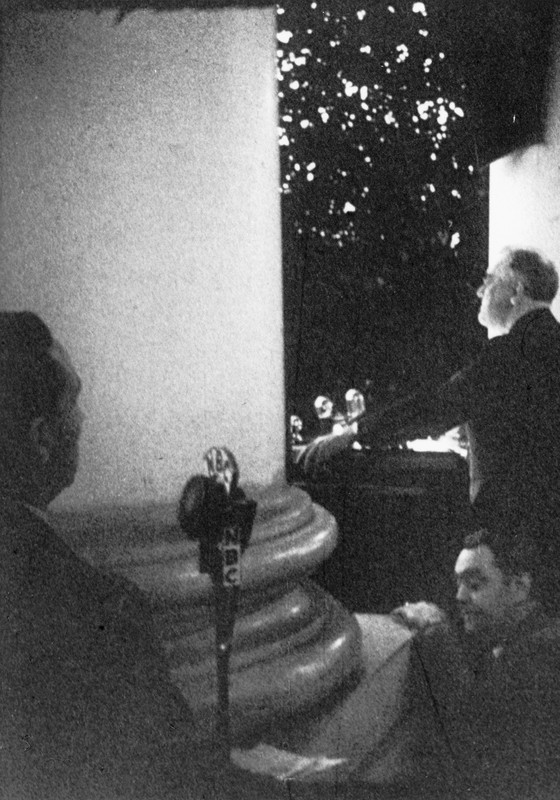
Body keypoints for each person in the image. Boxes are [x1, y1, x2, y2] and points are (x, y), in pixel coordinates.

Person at [0, 312, 330, 800]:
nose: (84, 420)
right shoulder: (94, 611)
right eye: (75, 402)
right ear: (43, 437)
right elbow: (170, 779)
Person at [301, 248, 560, 642]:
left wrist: (353, 433)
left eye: (489, 282)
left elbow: (434, 406)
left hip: (516, 544)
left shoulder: (506, 355)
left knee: (516, 670)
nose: (481, 293)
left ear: (516, 290)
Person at [391, 527, 560, 799]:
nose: (459, 596)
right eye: (458, 584)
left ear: (519, 587)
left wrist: (436, 632)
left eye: (474, 584)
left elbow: (474, 743)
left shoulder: (544, 654)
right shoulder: (533, 640)